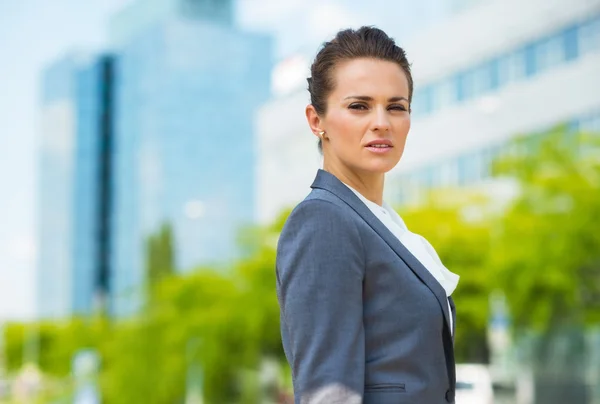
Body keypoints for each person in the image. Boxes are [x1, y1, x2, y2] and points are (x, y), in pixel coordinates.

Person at [275, 26, 460, 404]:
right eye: (359, 106)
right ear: (316, 120)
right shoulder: (323, 222)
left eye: (397, 106)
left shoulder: (382, 225)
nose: (382, 122)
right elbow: (329, 394)